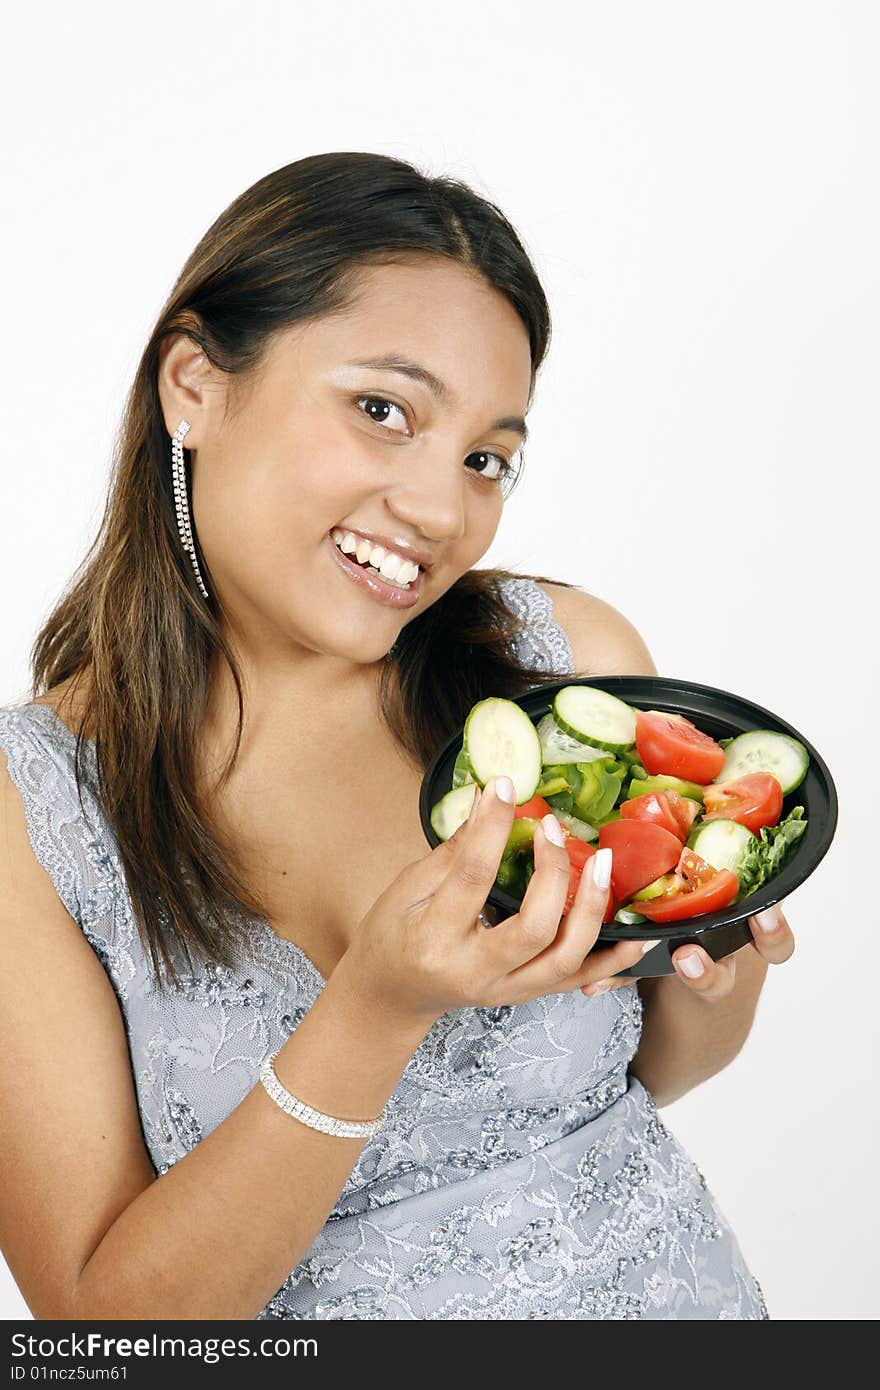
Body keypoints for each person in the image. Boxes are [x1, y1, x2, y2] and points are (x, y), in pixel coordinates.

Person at [0, 152, 794, 1322]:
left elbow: (645, 1074)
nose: (439, 510)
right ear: (193, 385)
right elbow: (105, 1325)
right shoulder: (36, 807)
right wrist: (372, 1010)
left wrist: (714, 974)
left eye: (486, 458)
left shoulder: (566, 659)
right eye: (383, 411)